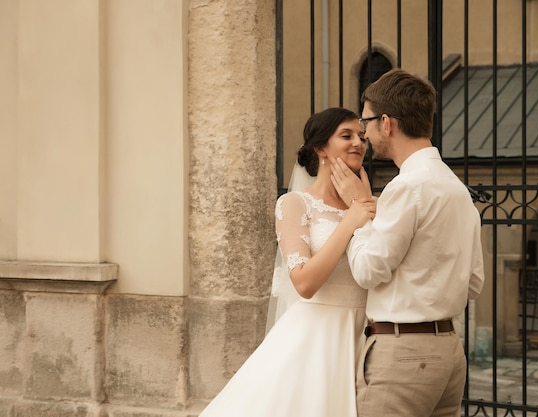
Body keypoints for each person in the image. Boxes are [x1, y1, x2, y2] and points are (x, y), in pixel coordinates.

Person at [198, 107, 377, 417]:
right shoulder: (295, 203)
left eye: (362, 136)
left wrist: (362, 207)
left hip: (367, 339)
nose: (358, 143)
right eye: (346, 136)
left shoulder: (373, 204)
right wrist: (352, 218)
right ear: (321, 148)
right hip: (316, 342)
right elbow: (304, 283)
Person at [331, 69, 485, 417]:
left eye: (366, 121)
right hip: (449, 353)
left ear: (387, 123)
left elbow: (369, 271)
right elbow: (473, 283)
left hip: (403, 357)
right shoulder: (457, 189)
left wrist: (359, 213)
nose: (364, 133)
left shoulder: (407, 187)